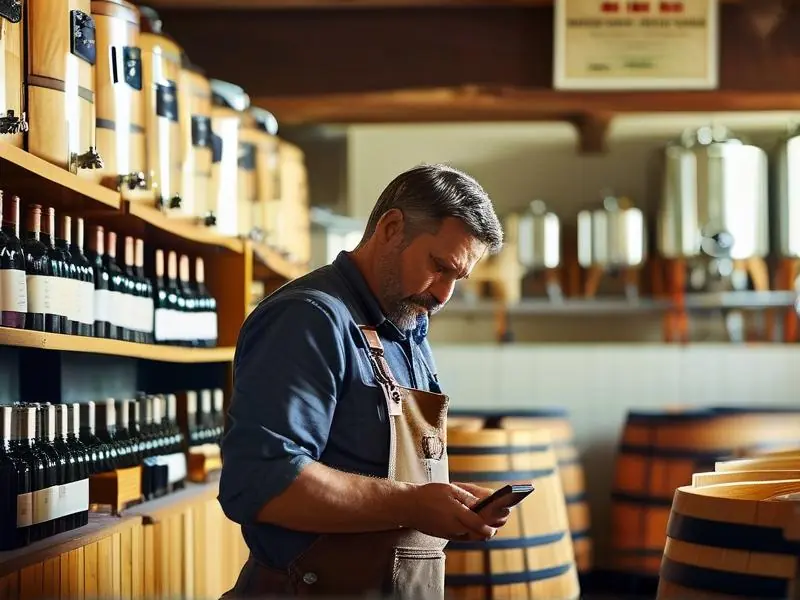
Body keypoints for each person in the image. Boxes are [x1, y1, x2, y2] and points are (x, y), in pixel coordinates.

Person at [219, 163, 509, 599]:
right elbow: (259, 481)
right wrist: (412, 504)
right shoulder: (309, 318)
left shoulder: (407, 325)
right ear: (392, 229)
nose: (444, 295)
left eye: (458, 278)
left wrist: (448, 505)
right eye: (439, 266)